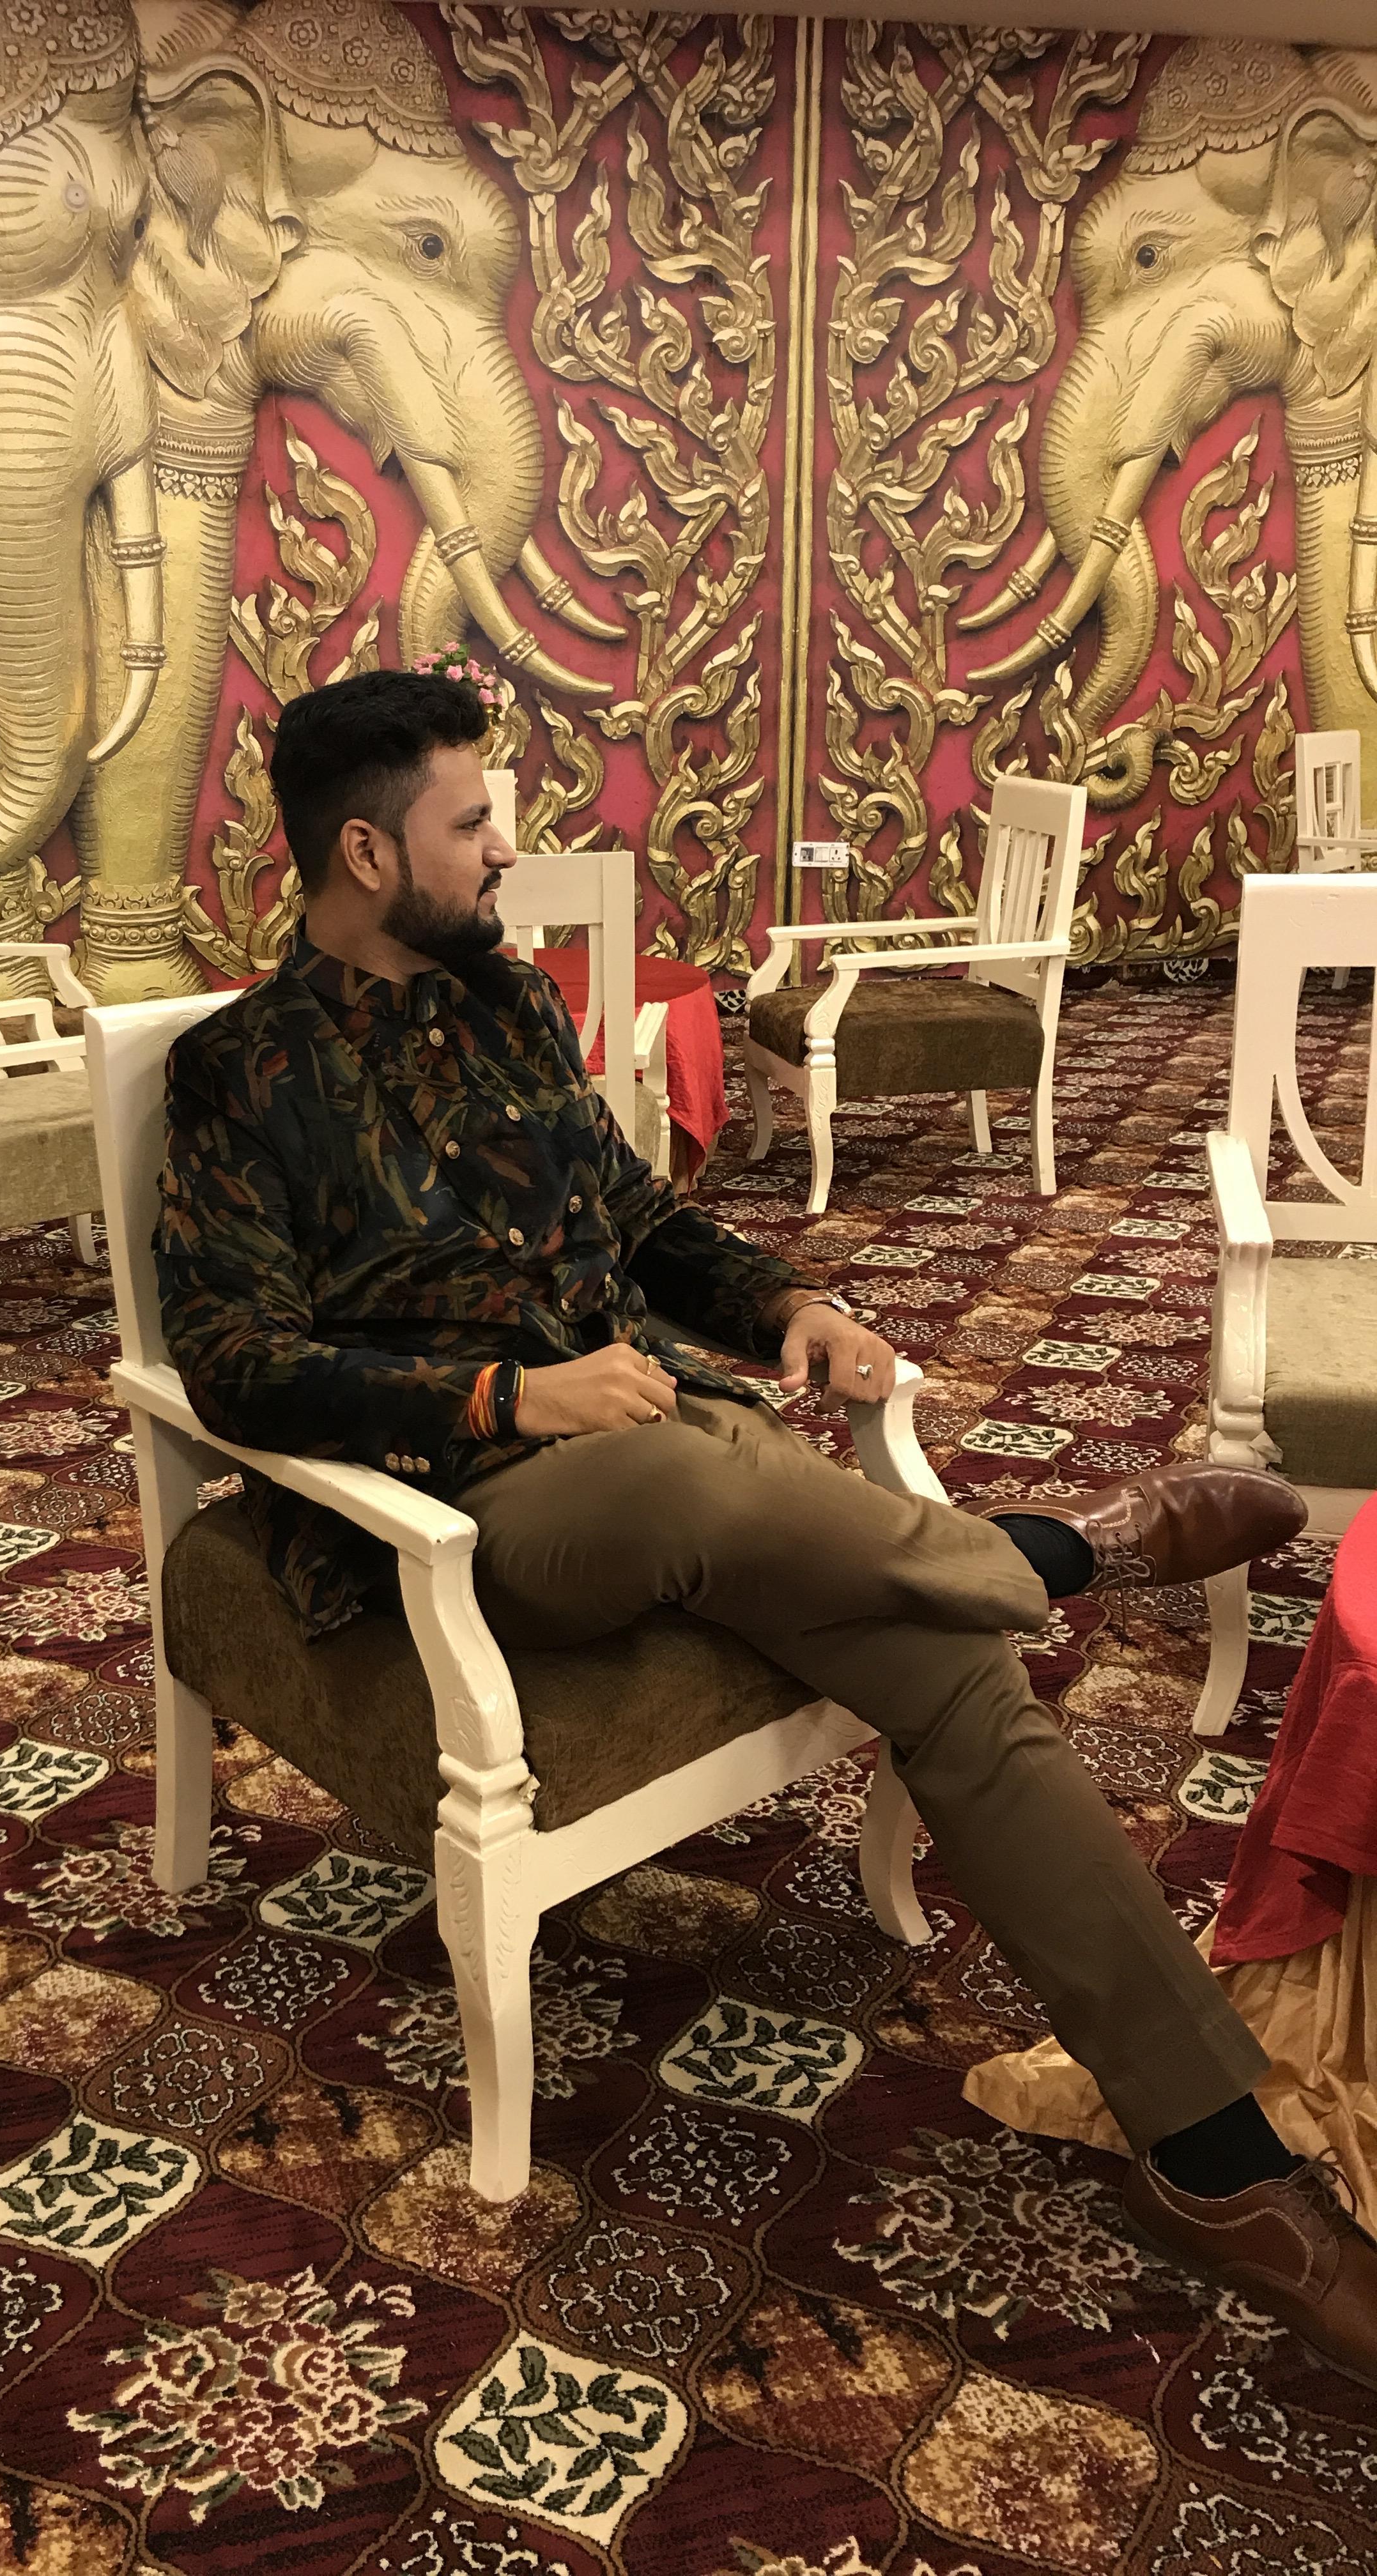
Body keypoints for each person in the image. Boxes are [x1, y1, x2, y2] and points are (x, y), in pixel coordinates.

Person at [156, 668, 1376, 2386]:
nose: (505, 848)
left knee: (955, 1676)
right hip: (456, 1501)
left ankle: (1216, 2158)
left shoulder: (506, 1003)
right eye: (472, 822)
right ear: (365, 852)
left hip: (649, 1435)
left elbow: (642, 1221)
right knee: (704, 1475)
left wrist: (788, 1304)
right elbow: (233, 1363)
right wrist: (510, 1399)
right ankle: (1057, 1549)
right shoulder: (241, 1071)